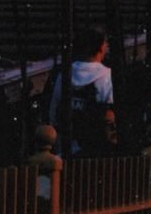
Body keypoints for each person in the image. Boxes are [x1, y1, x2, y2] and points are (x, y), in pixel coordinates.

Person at [48, 25, 114, 156]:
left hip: (65, 149)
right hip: (96, 151)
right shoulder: (107, 77)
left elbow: (53, 110)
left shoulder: (65, 74)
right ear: (101, 47)